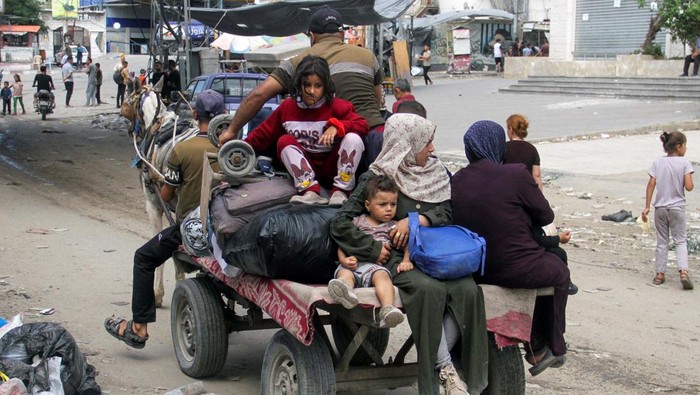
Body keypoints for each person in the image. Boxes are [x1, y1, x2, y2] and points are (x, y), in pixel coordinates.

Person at [331, 113, 488, 394]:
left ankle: (460, 372)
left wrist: (419, 220)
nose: (432, 149)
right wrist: (374, 248)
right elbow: (341, 223)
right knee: (429, 291)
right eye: (426, 142)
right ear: (407, 143)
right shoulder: (377, 177)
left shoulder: (436, 172)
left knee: (469, 291)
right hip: (398, 260)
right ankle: (445, 372)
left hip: (435, 255)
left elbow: (447, 212)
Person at [103, 89, 227, 348]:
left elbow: (167, 193)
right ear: (223, 116)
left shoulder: (182, 150)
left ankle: (139, 327)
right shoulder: (234, 148)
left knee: (143, 257)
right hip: (229, 227)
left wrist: (163, 181)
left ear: (194, 115)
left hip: (193, 229)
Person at [451, 120, 570, 377]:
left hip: (476, 269)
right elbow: (545, 215)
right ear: (498, 146)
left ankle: (536, 345)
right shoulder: (514, 174)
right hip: (516, 267)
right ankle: (550, 345)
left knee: (552, 261)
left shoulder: (458, 179)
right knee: (558, 271)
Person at [219, 6, 386, 167]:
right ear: (341, 35)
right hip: (374, 137)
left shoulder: (301, 62)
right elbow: (378, 101)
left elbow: (259, 95)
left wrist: (231, 130)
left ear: (312, 37)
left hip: (333, 146)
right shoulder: (368, 56)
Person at [243, 55, 368, 206]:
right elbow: (263, 134)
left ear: (326, 86)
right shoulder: (288, 107)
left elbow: (362, 126)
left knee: (354, 138)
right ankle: (310, 192)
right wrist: (240, 149)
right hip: (305, 171)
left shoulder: (338, 106)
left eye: (318, 86)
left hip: (332, 167)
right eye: (306, 85)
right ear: (299, 85)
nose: (311, 91)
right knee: (284, 141)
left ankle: (341, 191)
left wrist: (338, 126)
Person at [328, 175, 407, 328]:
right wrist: (343, 260)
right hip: (352, 264)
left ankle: (387, 309)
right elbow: (343, 243)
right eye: (383, 204)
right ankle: (346, 291)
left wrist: (406, 260)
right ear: (368, 205)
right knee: (345, 275)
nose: (389, 209)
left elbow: (406, 244)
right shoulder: (357, 221)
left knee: (383, 276)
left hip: (373, 268)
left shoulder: (393, 226)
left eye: (393, 204)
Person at [642, 131, 694, 290]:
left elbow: (651, 184)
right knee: (680, 240)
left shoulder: (658, 162)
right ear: (679, 147)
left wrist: (647, 206)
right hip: (677, 208)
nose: (685, 148)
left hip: (660, 209)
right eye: (685, 145)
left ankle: (659, 274)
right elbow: (689, 187)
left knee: (662, 241)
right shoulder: (685, 162)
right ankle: (683, 272)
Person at [503, 114, 543, 190]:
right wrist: (540, 197)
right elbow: (536, 176)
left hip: (507, 189)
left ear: (510, 129)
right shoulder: (532, 149)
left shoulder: (503, 148)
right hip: (526, 191)